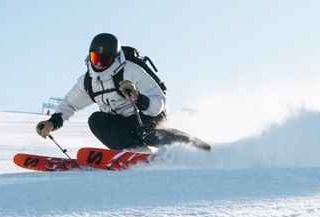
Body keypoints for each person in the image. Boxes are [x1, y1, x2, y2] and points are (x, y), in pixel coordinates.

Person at [35, 33, 208, 151]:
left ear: (115, 58)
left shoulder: (130, 71)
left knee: (146, 134)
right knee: (96, 120)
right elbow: (70, 104)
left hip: (148, 117)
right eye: (96, 58)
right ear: (90, 56)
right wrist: (53, 122)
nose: (100, 64)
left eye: (106, 60)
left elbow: (159, 101)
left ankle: (195, 147)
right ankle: (136, 152)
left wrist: (138, 98)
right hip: (122, 123)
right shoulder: (88, 81)